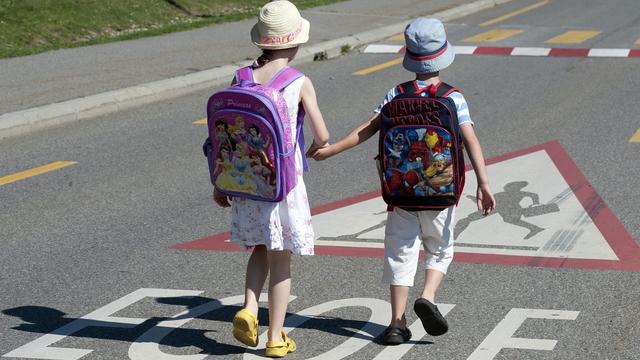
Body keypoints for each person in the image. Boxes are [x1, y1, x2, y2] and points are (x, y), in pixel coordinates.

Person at [308, 17, 495, 345]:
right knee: (440, 247)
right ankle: (429, 296)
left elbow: (367, 129)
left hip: (401, 192)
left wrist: (332, 149)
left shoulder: (396, 94)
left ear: (410, 57)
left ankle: (396, 322)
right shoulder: (453, 97)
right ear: (443, 55)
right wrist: (483, 182)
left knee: (400, 252)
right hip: (441, 191)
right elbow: (471, 140)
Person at [212, 1, 330, 357]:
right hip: (283, 185)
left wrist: (221, 183)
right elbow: (322, 135)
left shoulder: (241, 77)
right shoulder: (299, 82)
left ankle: (248, 308)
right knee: (282, 259)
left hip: (246, 184)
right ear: (295, 44)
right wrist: (314, 147)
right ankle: (276, 337)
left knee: (259, 248)